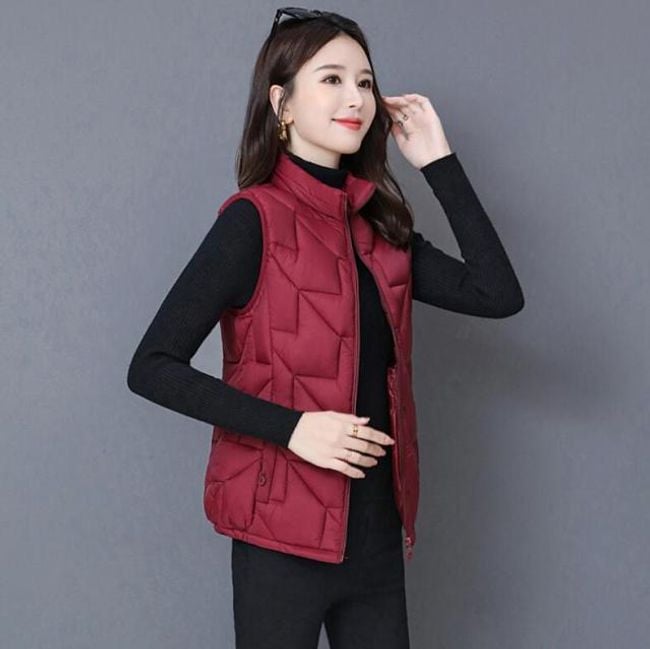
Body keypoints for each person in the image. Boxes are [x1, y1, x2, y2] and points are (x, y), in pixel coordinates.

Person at [127, 7, 524, 648]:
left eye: (365, 82)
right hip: (280, 540)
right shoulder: (252, 221)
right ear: (281, 103)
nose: (356, 98)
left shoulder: (380, 225)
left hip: (375, 536)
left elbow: (497, 294)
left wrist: (438, 162)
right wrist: (294, 429)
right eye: (332, 79)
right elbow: (151, 367)